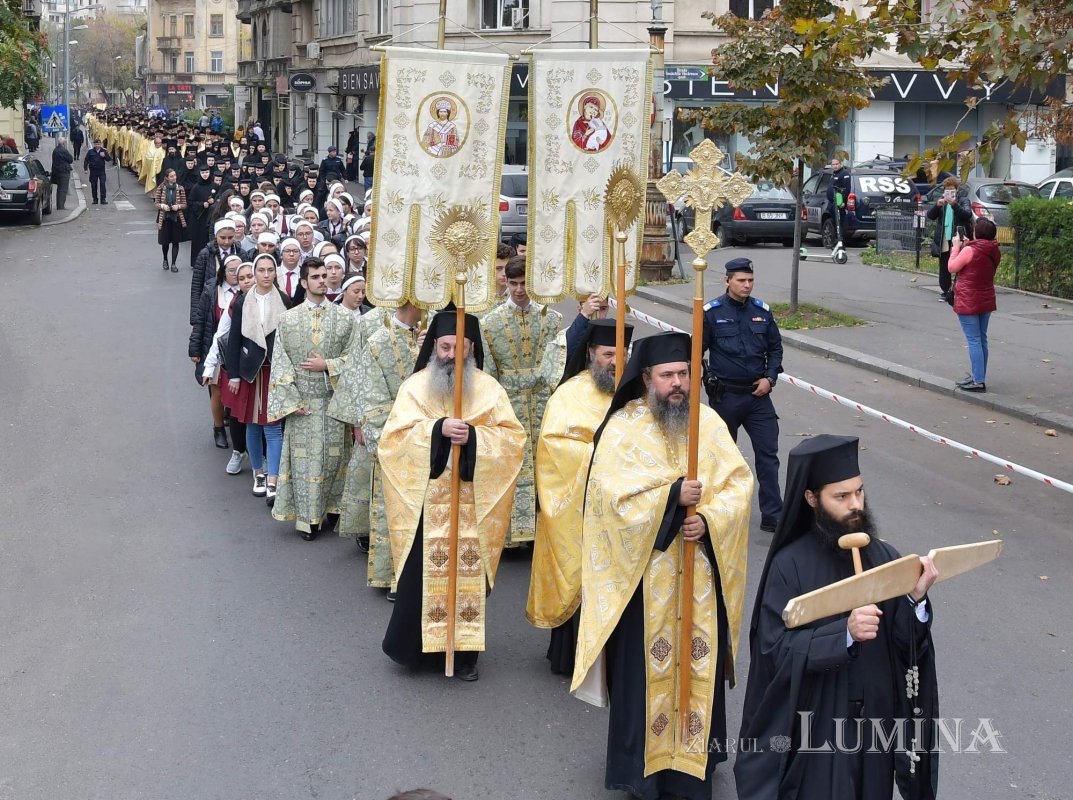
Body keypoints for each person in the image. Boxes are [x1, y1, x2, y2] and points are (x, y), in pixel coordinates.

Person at [571, 332, 753, 800]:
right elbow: (609, 501)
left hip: (699, 578)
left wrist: (709, 520)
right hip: (643, 582)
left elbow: (738, 487)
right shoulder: (623, 428)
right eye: (667, 375)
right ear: (647, 379)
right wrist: (672, 499)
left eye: (683, 375)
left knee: (698, 668)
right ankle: (642, 772)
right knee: (644, 679)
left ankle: (694, 767)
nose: (676, 384)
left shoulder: (708, 424)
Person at [734, 434, 939, 800]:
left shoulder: (885, 557)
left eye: (859, 492)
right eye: (841, 497)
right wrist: (843, 635)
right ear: (812, 499)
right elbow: (773, 650)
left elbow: (906, 646)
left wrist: (915, 600)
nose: (855, 505)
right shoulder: (789, 566)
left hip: (876, 723)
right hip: (818, 722)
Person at [380, 310, 526, 681]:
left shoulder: (490, 390)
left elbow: (513, 442)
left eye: (458, 348)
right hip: (426, 504)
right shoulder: (414, 387)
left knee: (468, 580)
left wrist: (474, 438)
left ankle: (463, 657)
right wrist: (436, 430)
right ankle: (414, 651)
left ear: (471, 349)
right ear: (433, 347)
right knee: (420, 578)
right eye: (444, 347)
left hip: (471, 504)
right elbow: (392, 441)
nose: (450, 355)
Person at [526, 319, 633, 676]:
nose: (616, 361)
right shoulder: (569, 394)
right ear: (591, 354)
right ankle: (573, 654)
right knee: (582, 574)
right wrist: (601, 455)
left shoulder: (638, 393)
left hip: (625, 507)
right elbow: (554, 447)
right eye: (607, 354)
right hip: (582, 505)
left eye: (622, 353)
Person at [267, 257, 360, 540]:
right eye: (316, 276)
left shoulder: (345, 318)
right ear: (304, 282)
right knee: (306, 463)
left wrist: (328, 365)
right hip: (303, 404)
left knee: (335, 459)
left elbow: (356, 361)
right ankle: (308, 520)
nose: (323, 280)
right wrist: (292, 401)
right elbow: (280, 362)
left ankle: (334, 509)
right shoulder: (288, 319)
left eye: (325, 275)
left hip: (334, 403)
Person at [480, 256, 562, 546]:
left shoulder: (552, 319)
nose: (518, 289)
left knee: (546, 462)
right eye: (513, 283)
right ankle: (513, 534)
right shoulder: (490, 322)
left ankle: (544, 529)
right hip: (509, 401)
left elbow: (558, 363)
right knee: (512, 462)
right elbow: (488, 371)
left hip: (543, 399)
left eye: (524, 283)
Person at [702, 257, 784, 532]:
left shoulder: (762, 311)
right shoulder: (711, 313)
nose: (747, 285)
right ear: (727, 281)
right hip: (725, 396)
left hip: (758, 396)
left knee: (768, 456)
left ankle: (773, 515)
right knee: (722, 457)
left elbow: (775, 349)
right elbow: (696, 350)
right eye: (741, 281)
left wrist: (770, 379)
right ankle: (721, 512)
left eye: (750, 280)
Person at [227, 254, 290, 499]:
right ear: (255, 273)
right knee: (252, 425)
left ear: (275, 273)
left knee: (273, 426)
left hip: (274, 369)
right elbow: (234, 340)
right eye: (261, 270)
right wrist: (233, 374)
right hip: (251, 370)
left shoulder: (283, 299)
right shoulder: (243, 301)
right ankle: (258, 472)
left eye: (270, 270)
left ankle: (273, 478)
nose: (265, 275)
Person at [201, 261, 256, 475]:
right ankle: (238, 451)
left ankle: (260, 457)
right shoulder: (235, 303)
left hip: (263, 366)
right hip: (237, 366)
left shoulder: (275, 301)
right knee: (235, 411)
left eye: (250, 276)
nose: (246, 281)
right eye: (241, 279)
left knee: (258, 414)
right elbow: (221, 335)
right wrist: (209, 367)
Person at [191, 255, 246, 461]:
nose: (235, 274)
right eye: (231, 270)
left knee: (235, 391)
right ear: (224, 272)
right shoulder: (212, 290)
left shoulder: (245, 292)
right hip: (215, 348)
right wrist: (195, 349)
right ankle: (219, 428)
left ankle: (236, 427)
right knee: (217, 392)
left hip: (237, 350)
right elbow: (201, 320)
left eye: (238, 270)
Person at [949, 217, 1000, 393]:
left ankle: (978, 381)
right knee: (981, 339)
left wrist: (956, 248)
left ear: (977, 232)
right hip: (986, 298)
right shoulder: (993, 250)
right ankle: (979, 375)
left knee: (974, 340)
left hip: (968, 299)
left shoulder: (970, 250)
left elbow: (952, 267)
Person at [926, 177, 974, 303]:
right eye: (947, 190)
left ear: (957, 190)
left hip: (958, 238)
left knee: (961, 265)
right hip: (944, 238)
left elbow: (967, 214)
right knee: (944, 265)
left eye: (952, 190)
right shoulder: (942, 203)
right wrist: (937, 205)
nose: (950, 193)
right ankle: (946, 291)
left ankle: (960, 289)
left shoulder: (963, 201)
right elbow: (930, 216)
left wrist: (954, 204)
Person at [191, 219, 240, 325]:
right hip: (211, 307)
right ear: (215, 236)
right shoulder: (205, 255)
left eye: (230, 237)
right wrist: (195, 317)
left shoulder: (241, 253)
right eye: (222, 238)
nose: (226, 241)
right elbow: (196, 286)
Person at [154, 168, 188, 272]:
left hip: (176, 218)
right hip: (165, 218)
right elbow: (156, 203)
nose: (174, 177)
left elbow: (184, 204)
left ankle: (173, 263)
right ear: (167, 178)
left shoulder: (180, 188)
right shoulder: (161, 188)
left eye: (175, 175)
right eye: (172, 176)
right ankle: (165, 260)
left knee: (175, 242)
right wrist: (163, 206)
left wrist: (178, 206)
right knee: (165, 242)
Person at [826, 157, 852, 245]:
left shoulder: (844, 174)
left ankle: (841, 241)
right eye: (833, 164)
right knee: (834, 222)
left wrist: (843, 202)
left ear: (841, 164)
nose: (835, 166)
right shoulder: (833, 174)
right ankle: (836, 240)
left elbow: (846, 189)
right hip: (832, 203)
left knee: (840, 223)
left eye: (837, 164)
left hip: (839, 203)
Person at [83, 138, 112, 205]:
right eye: (96, 144)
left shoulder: (103, 151)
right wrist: (85, 169)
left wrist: (104, 156)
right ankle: (95, 199)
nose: (97, 145)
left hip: (101, 170)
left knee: (102, 184)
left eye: (98, 144)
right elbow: (86, 160)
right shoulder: (90, 151)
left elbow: (109, 159)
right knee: (94, 185)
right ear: (94, 144)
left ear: (100, 144)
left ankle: (103, 199)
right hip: (93, 171)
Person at [50, 137, 74, 211]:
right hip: (64, 171)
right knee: (63, 189)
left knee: (59, 189)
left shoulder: (55, 150)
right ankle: (61, 206)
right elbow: (70, 159)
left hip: (56, 171)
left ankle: (59, 205)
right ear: (63, 143)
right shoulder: (64, 150)